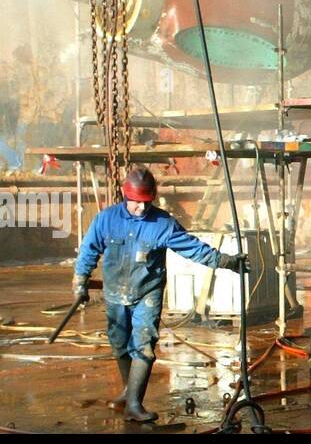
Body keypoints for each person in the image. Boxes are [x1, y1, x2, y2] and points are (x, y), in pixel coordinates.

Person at [74, 166, 244, 423]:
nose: (141, 209)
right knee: (119, 344)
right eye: (136, 203)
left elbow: (193, 248)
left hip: (147, 293)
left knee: (143, 345)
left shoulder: (163, 224)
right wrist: (80, 282)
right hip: (115, 293)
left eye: (146, 202)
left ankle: (134, 404)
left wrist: (225, 261)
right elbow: (88, 250)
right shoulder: (106, 220)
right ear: (125, 196)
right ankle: (127, 390)